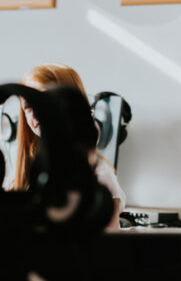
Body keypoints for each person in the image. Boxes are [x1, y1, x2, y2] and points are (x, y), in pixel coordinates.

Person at [12, 63, 125, 230]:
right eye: (28, 106)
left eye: (44, 102)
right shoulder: (30, 172)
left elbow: (106, 249)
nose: (36, 113)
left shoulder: (99, 179)